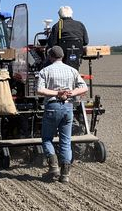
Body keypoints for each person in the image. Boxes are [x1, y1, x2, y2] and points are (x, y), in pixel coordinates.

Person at [36, 46, 88, 183]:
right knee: (66, 141)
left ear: (50, 57)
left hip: (52, 107)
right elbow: (84, 87)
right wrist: (71, 93)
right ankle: (65, 175)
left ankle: (53, 167)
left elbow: (40, 90)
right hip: (68, 108)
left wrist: (56, 93)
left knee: (47, 139)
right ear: (63, 56)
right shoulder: (72, 70)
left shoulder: (45, 71)